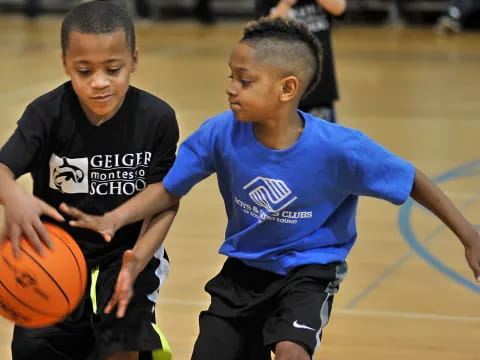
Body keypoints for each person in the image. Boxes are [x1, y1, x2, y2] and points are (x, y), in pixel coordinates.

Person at [60, 18, 480, 360]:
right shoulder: (220, 134)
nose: (230, 88)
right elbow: (169, 190)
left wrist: (469, 235)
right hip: (243, 270)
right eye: (231, 77)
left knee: (291, 350)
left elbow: (413, 181)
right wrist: (113, 217)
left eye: (244, 80)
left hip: (308, 269)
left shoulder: (340, 149)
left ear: (287, 89)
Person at [0, 1, 179, 360]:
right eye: (84, 71)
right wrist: (13, 199)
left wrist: (138, 260)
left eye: (113, 69)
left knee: (122, 340)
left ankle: (141, 341)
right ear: (66, 63)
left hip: (127, 251)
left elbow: (165, 201)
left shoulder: (157, 119)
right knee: (34, 349)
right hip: (56, 253)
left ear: (133, 60)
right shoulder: (46, 114)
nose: (99, 82)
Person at [255, 0, 346, 123]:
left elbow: (339, 8)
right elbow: (263, 31)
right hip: (284, 85)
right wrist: (286, 4)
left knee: (322, 138)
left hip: (320, 87)